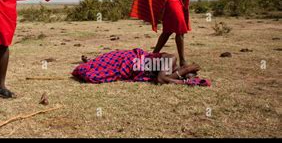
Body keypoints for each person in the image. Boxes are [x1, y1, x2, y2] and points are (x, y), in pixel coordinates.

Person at [72, 48, 209, 86]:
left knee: (103, 67)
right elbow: (162, 80)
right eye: (187, 73)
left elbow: (164, 78)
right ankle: (92, 62)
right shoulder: (170, 58)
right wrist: (186, 73)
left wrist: (183, 77)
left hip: (137, 65)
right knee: (109, 60)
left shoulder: (171, 71)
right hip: (134, 61)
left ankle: (91, 62)